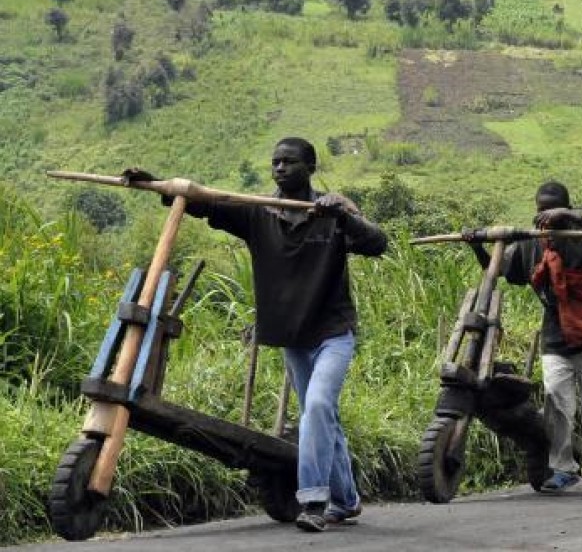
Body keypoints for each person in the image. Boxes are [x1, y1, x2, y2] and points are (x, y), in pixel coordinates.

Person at [127, 137, 387, 531]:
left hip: (333, 332)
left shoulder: (333, 212)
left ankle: (314, 501)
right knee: (322, 416)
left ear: (311, 168)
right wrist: (160, 185)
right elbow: (206, 203)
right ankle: (347, 500)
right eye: (275, 162)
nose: (280, 168)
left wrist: (344, 216)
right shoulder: (257, 215)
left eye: (290, 162)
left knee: (316, 407)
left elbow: (376, 243)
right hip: (291, 337)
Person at [472, 181, 582, 495]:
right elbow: (497, 269)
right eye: (540, 209)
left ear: (564, 209)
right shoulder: (531, 244)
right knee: (557, 403)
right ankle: (563, 468)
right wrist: (476, 245)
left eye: (552, 209)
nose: (545, 216)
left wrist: (572, 217)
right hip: (556, 337)